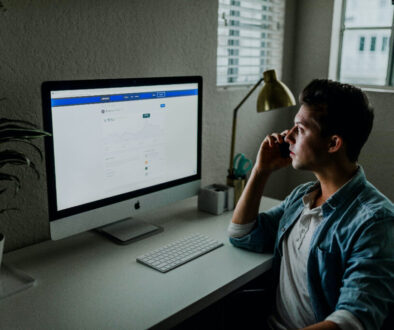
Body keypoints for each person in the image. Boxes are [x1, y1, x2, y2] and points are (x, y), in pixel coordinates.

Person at [227, 79, 394, 330]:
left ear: (333, 143)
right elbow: (243, 234)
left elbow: (353, 321)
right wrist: (261, 171)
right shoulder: (302, 197)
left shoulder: (375, 222)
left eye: (300, 129)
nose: (287, 136)